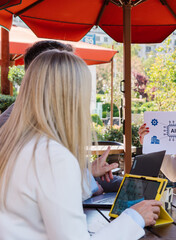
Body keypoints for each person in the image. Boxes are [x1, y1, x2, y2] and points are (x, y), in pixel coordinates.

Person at [0, 50, 161, 239]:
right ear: (72, 98)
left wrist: (87, 176)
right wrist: (135, 218)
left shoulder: (16, 143)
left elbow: (39, 203)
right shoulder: (53, 155)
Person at [0, 40, 120, 198]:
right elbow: (53, 184)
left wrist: (89, 171)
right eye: (67, 73)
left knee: (130, 187)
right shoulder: (24, 128)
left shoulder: (42, 118)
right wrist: (90, 185)